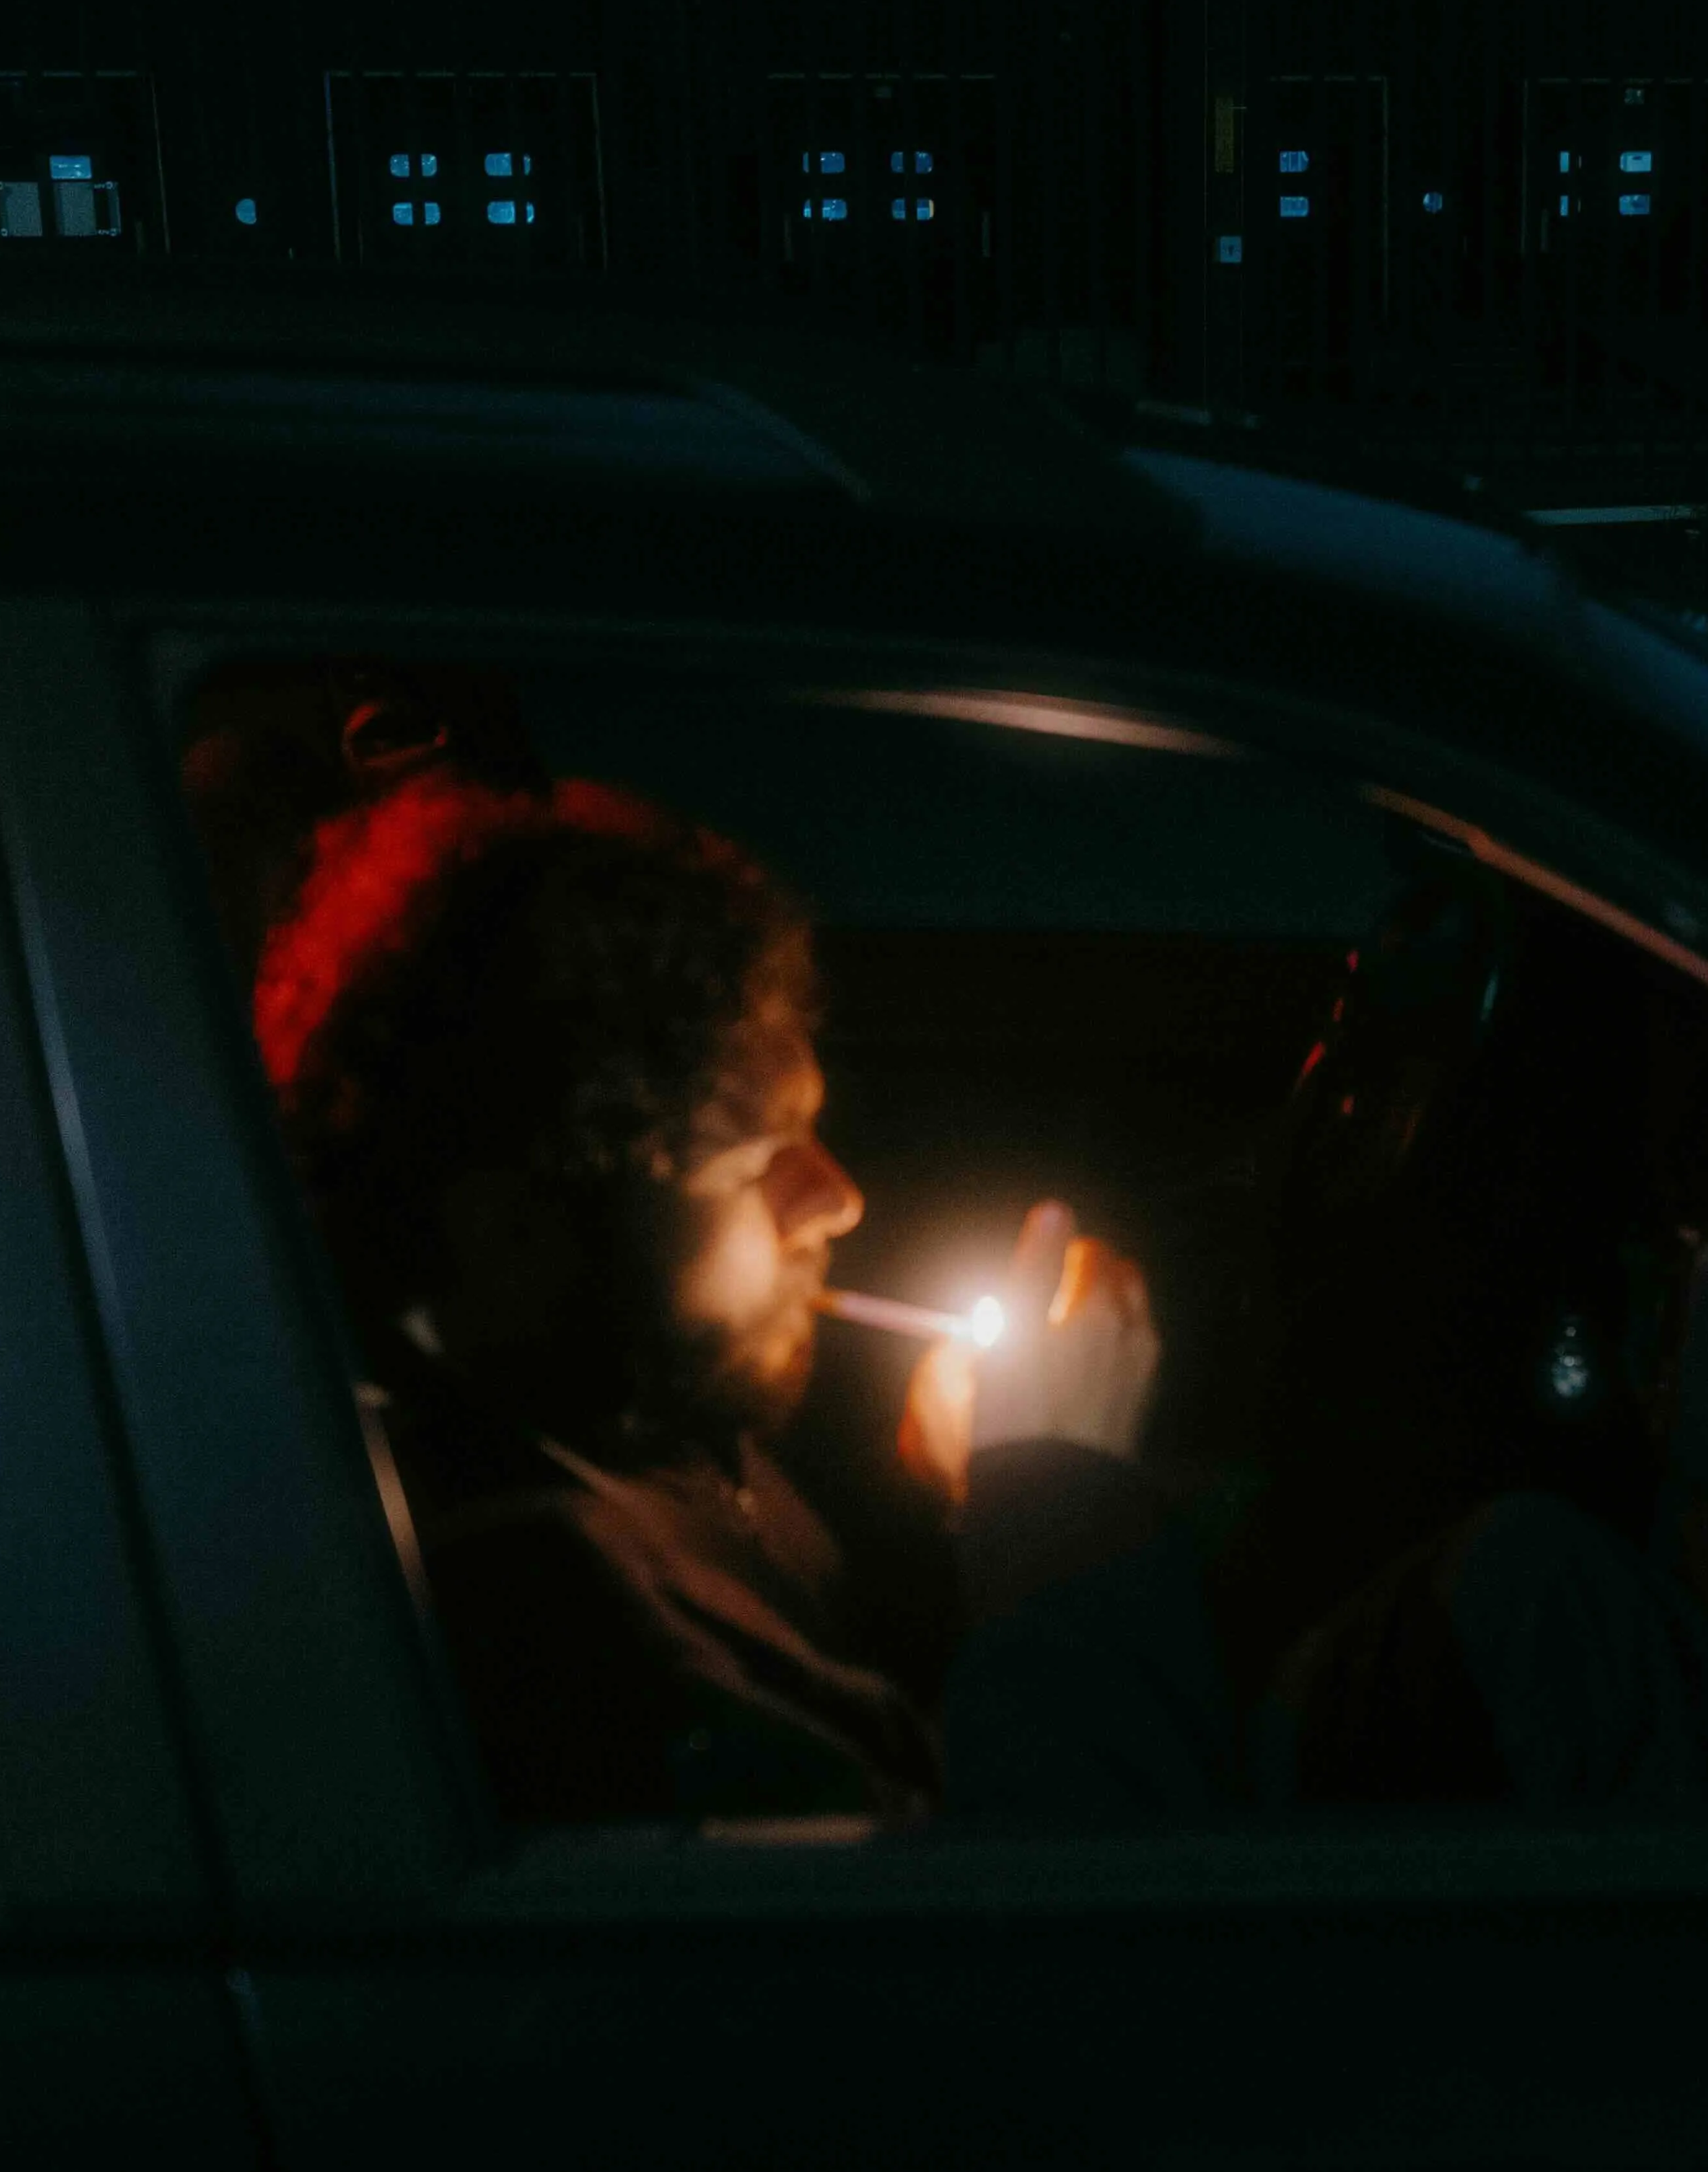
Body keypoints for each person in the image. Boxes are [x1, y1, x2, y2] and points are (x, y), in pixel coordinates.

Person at [254, 771, 1166, 1827]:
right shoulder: (544, 1615)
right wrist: (1060, 1518)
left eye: (812, 1128)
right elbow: (1046, 1909)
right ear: (512, 1229)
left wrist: (963, 1509)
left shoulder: (644, 1412)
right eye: (758, 1160)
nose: (840, 1199)